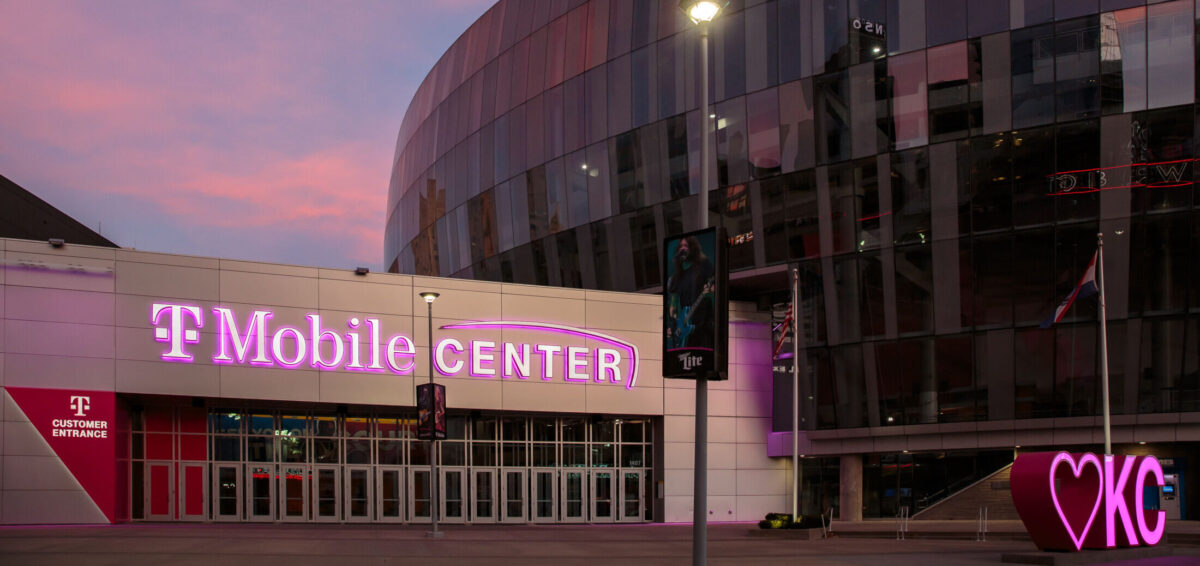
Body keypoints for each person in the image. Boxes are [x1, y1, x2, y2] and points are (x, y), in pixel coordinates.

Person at [666, 235, 715, 349]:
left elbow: (715, 285)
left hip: (704, 324)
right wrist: (673, 326)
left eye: (686, 245)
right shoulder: (676, 277)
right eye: (681, 246)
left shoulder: (704, 265)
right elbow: (672, 307)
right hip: (686, 327)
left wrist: (710, 291)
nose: (683, 248)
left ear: (693, 248)